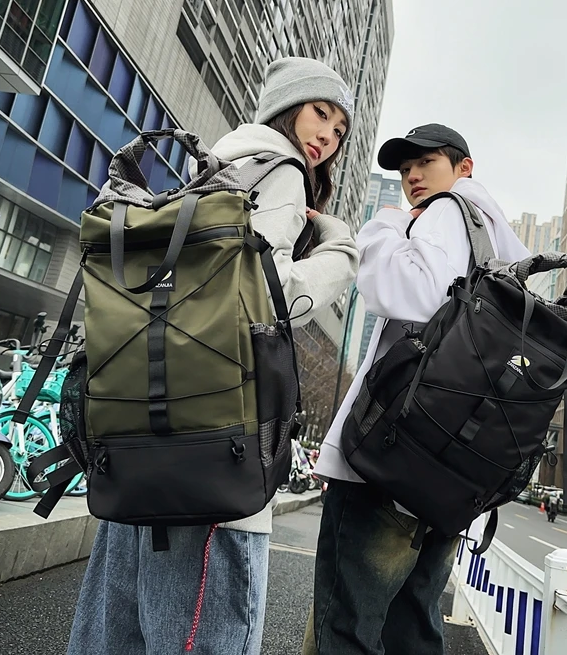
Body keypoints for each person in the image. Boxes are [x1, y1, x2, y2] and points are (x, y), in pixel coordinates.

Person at [67, 57, 359, 655]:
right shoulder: (280, 172)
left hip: (139, 441)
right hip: (217, 440)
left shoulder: (208, 171)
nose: (327, 138)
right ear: (286, 109)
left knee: (114, 632)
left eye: (338, 132)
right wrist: (341, 251)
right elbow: (271, 297)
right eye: (320, 114)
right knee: (207, 628)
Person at [305, 124, 531, 655]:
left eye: (425, 161)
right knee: (413, 625)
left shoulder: (447, 212)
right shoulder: (499, 249)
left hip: (390, 458)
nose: (411, 175)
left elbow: (411, 290)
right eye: (404, 168)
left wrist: (383, 226)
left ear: (463, 168)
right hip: (444, 469)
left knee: (346, 624)